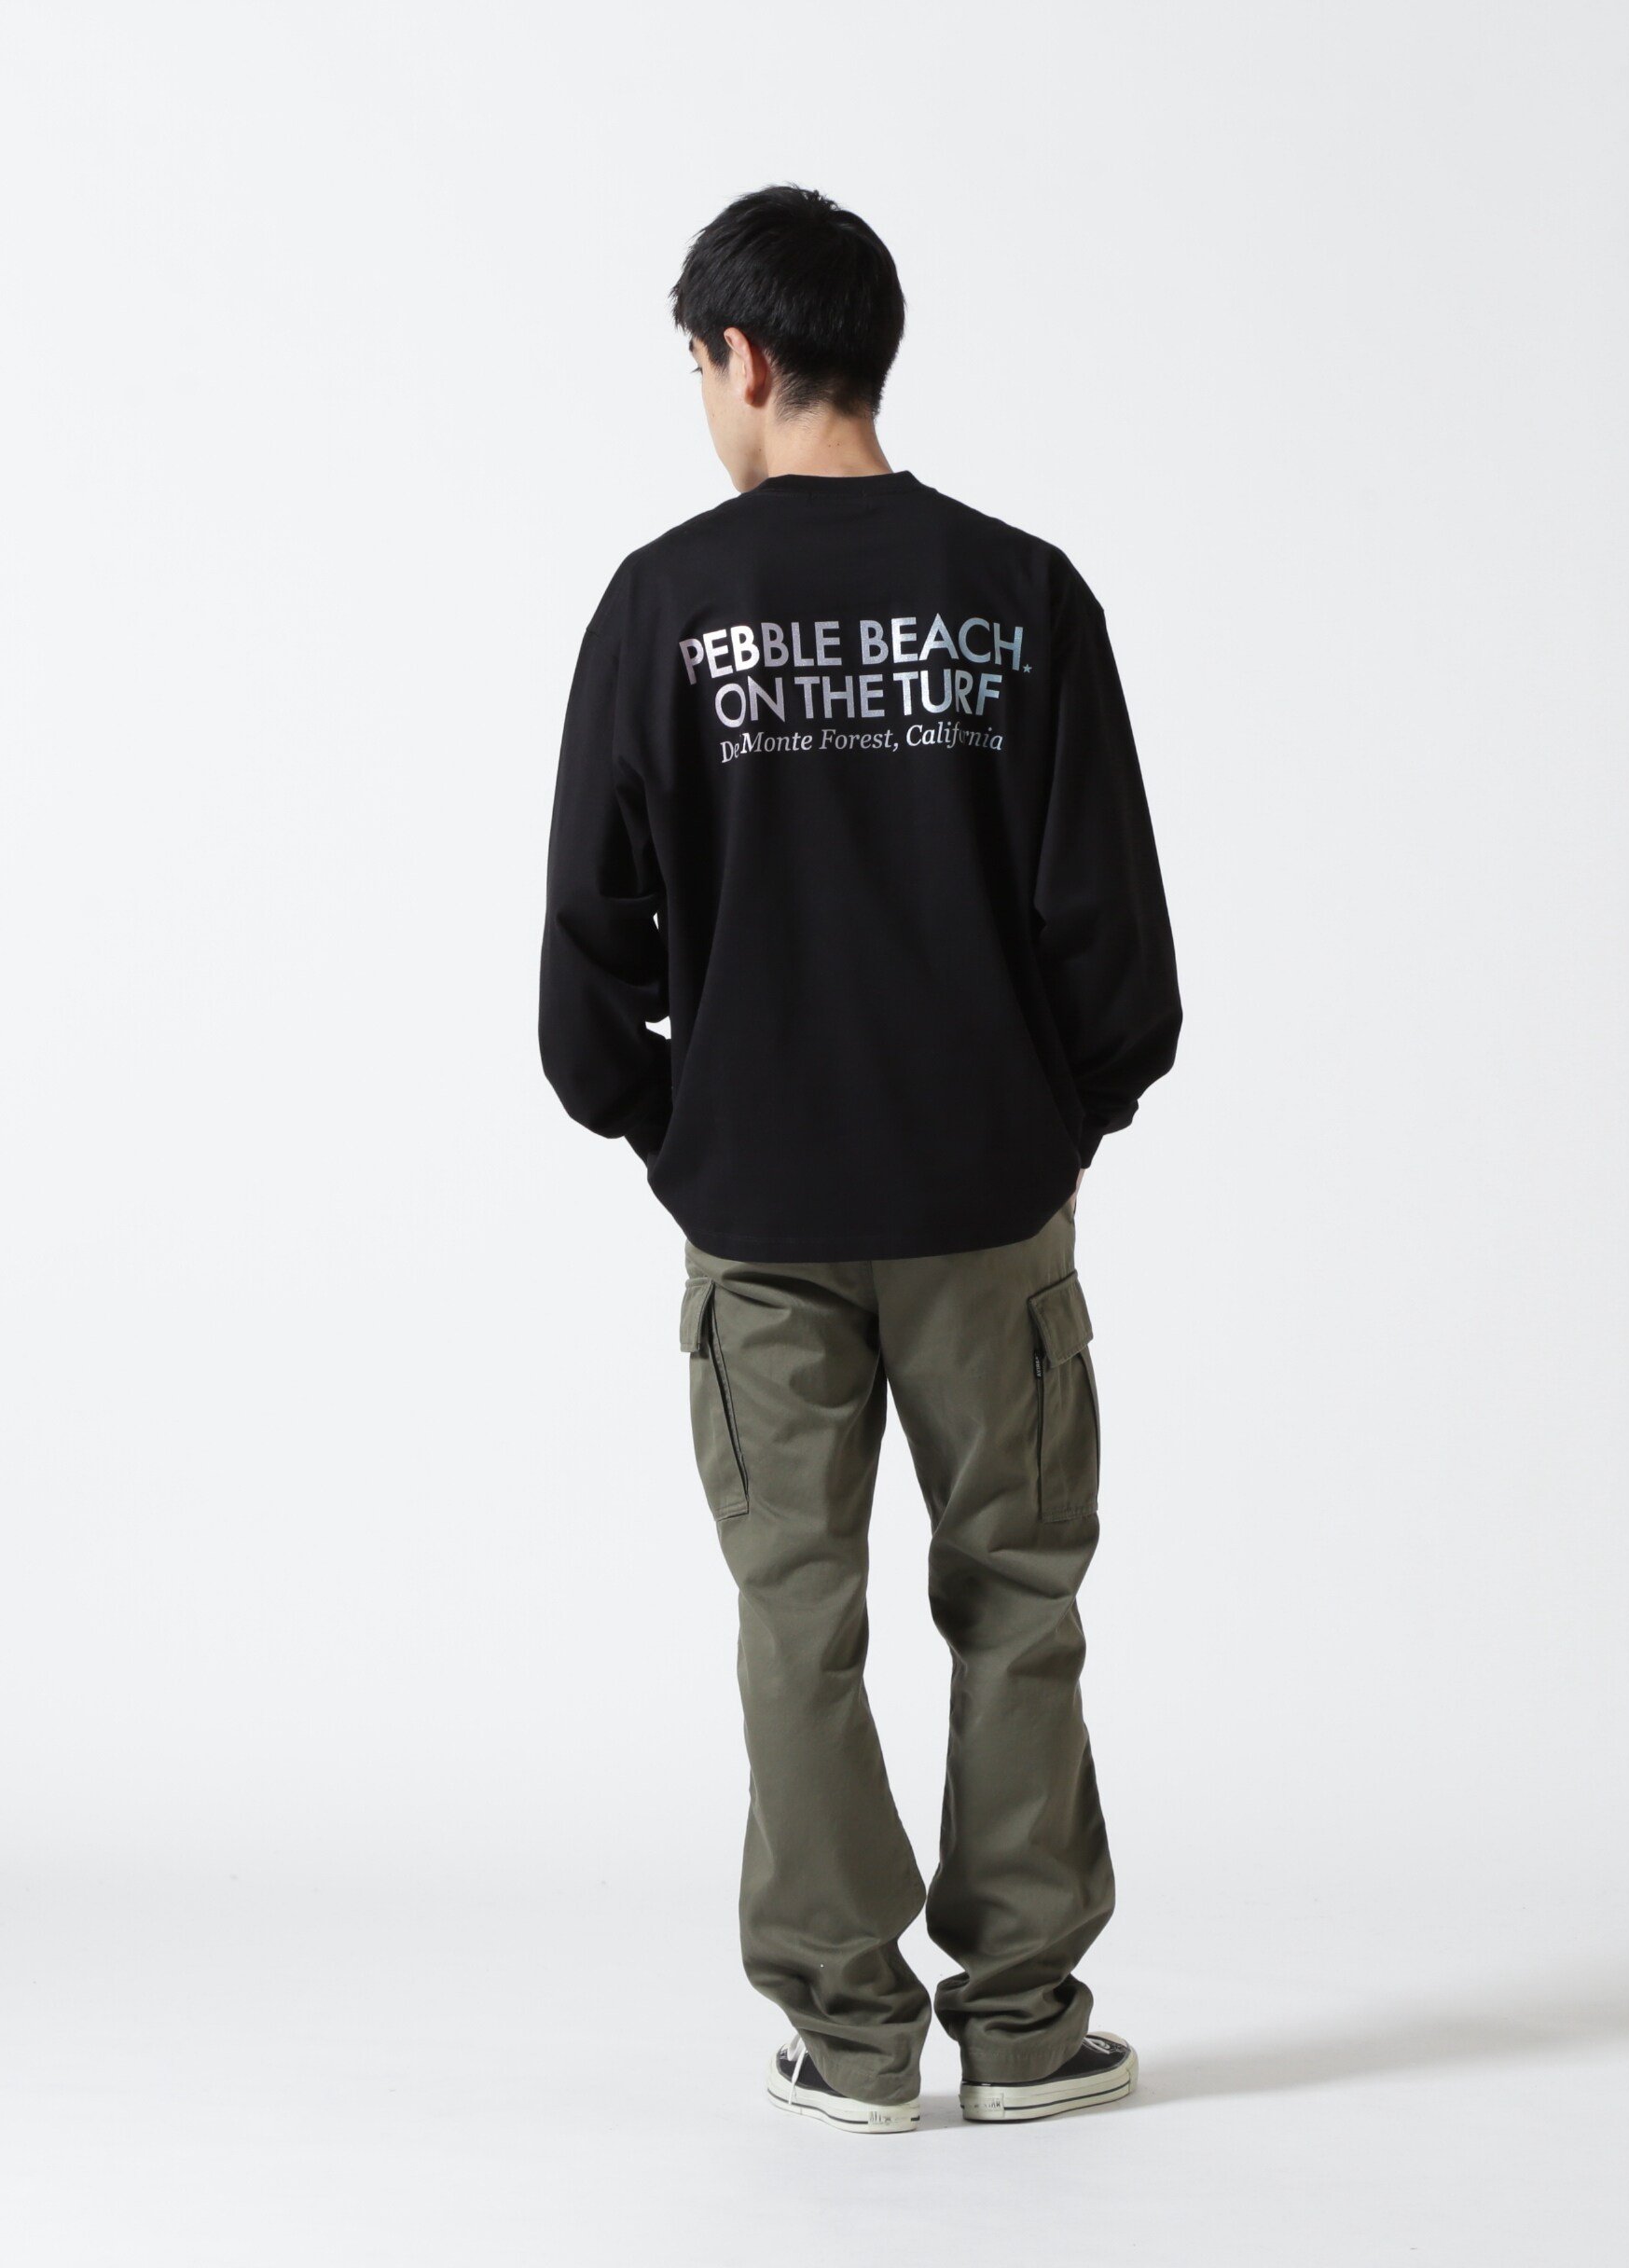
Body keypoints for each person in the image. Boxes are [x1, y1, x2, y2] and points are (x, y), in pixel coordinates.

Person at [539, 185, 1180, 2132]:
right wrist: (1051, 1128)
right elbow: (1118, 955)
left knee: (796, 1618)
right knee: (1021, 1598)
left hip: (764, 1222)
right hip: (989, 1210)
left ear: (741, 356)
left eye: (697, 366)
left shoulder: (662, 609)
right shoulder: (1024, 596)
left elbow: (588, 962)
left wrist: (676, 1128)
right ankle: (1023, 2026)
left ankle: (852, 2033)